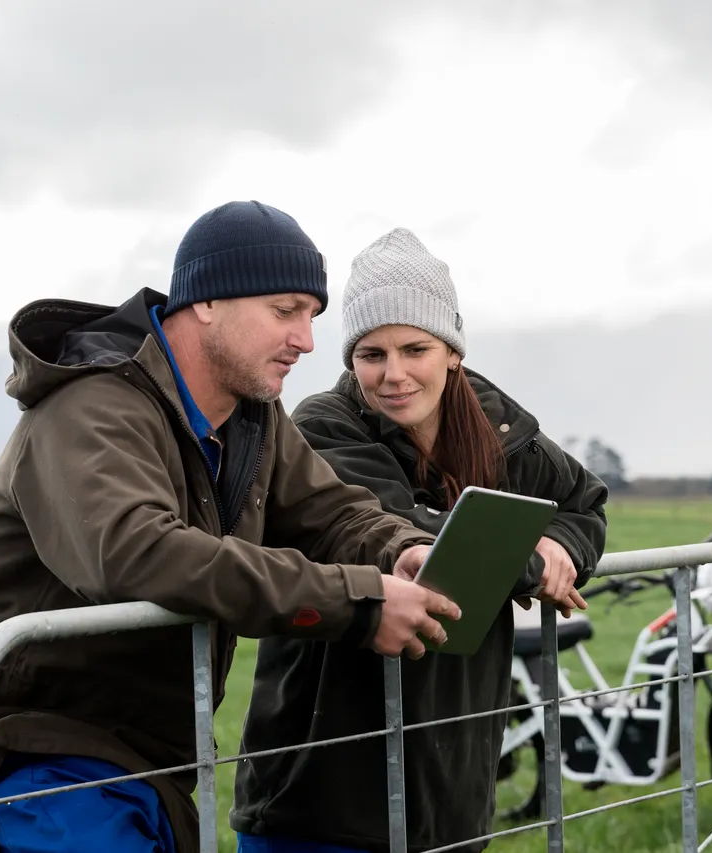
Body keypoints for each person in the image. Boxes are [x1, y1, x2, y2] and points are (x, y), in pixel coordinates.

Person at [0, 202, 464, 853]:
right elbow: (138, 552)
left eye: (312, 316)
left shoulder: (253, 417)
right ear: (205, 301)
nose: (307, 340)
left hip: (157, 760)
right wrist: (360, 602)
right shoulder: (90, 404)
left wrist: (403, 549)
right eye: (285, 310)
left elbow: (332, 512)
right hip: (38, 750)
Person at [230, 227, 610, 853]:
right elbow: (404, 531)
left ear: (452, 350)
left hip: (454, 775)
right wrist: (528, 556)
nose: (394, 374)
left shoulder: (500, 429)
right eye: (371, 354)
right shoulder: (323, 427)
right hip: (325, 779)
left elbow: (584, 501)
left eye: (415, 349)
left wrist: (562, 548)